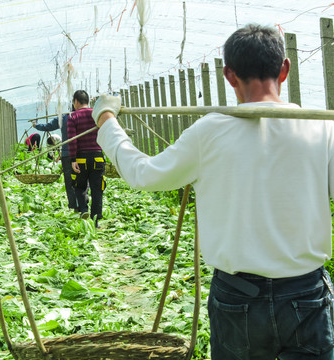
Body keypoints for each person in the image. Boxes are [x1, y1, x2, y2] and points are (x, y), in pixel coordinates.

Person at [93, 24, 334, 359]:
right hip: (305, 295)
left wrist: (107, 121)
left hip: (238, 297)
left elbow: (144, 174)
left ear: (229, 75)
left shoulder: (208, 132)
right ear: (285, 69)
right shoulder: (320, 127)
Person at [68, 90, 105, 225]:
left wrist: (73, 160)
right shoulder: (97, 114)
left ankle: (83, 209)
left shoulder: (73, 117)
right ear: (87, 101)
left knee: (80, 185)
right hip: (97, 157)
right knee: (97, 188)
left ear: (76, 101)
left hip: (81, 158)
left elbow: (72, 139)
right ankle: (96, 220)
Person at [33, 113, 80, 211]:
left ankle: (73, 206)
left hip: (67, 153)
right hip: (84, 153)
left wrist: (36, 125)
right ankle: (83, 206)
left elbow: (48, 126)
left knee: (69, 181)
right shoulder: (88, 114)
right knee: (82, 180)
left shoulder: (64, 118)